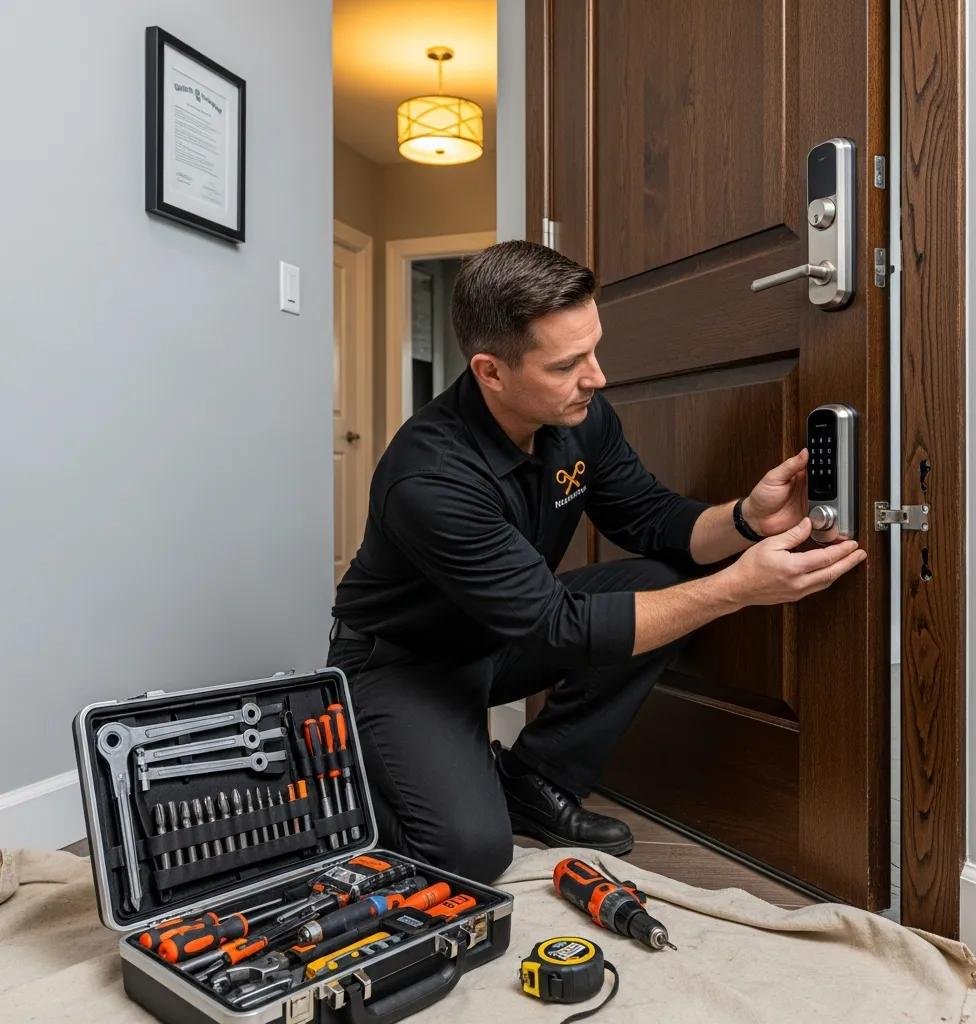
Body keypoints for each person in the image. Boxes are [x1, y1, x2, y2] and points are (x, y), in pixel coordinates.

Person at [327, 240, 867, 883]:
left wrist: (747, 518)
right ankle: (345, 779)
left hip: (501, 633)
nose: (597, 377)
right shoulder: (430, 477)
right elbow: (558, 627)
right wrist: (738, 589)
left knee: (661, 579)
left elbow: (652, 520)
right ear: (491, 371)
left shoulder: (581, 416)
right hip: (404, 663)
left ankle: (532, 778)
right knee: (471, 852)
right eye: (566, 364)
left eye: (593, 349)